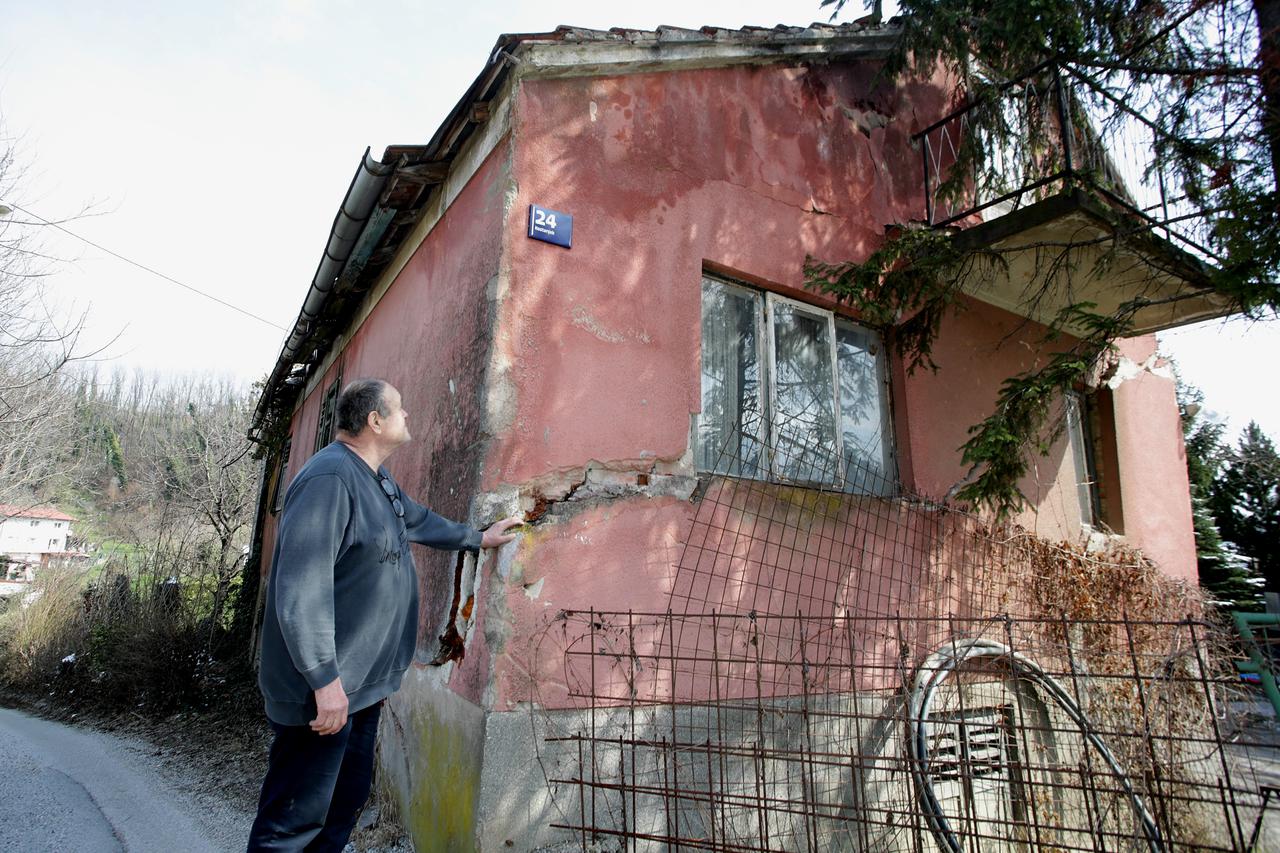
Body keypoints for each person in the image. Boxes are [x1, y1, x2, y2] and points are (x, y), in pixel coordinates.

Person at [247, 378, 521, 852]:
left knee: (342, 805)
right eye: (400, 408)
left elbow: (416, 519)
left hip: (358, 690)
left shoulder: (373, 478)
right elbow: (300, 590)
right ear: (375, 421)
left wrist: (479, 538)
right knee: (292, 824)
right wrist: (323, 680)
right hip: (323, 695)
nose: (408, 416)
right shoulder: (329, 479)